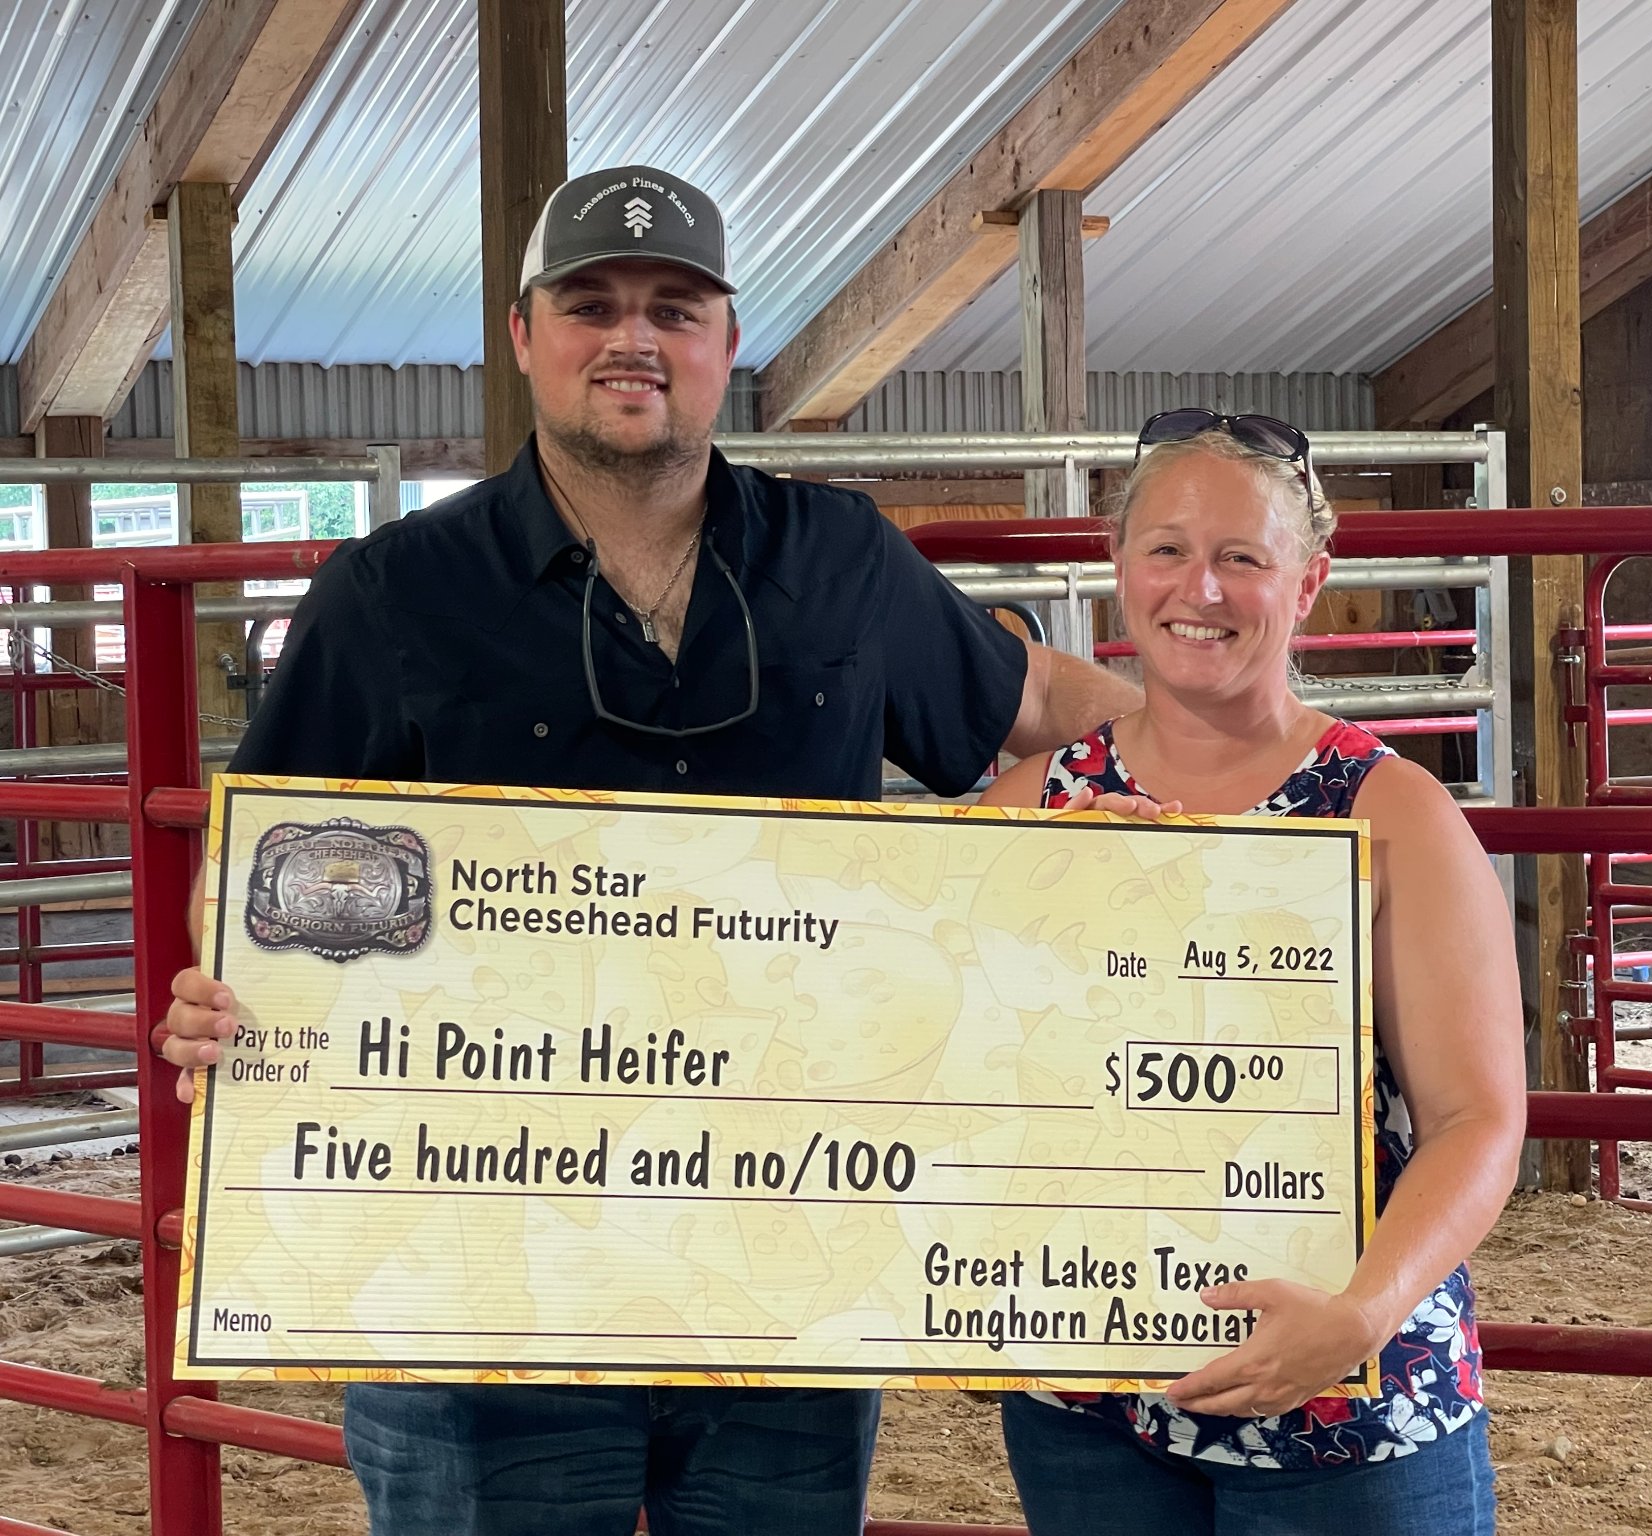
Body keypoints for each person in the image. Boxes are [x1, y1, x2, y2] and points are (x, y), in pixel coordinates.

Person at [153, 163, 1137, 1536]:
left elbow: (1034, 706)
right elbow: (267, 866)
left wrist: (1273, 768)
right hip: (480, 1291)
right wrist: (227, 990)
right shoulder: (393, 592)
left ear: (727, 342)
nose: (633, 337)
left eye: (675, 307)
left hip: (782, 1269)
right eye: (592, 303)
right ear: (524, 336)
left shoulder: (841, 559)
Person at [980, 410, 1524, 1536]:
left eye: (1242, 557)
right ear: (1118, 564)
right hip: (1091, 1404)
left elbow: (1477, 1119)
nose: (1201, 589)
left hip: (1345, 1401)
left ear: (1307, 580)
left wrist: (1360, 1311)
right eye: (1168, 549)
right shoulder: (1028, 805)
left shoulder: (1394, 815)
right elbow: (964, 1075)